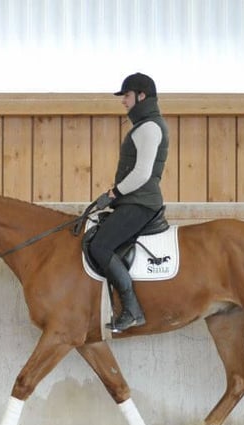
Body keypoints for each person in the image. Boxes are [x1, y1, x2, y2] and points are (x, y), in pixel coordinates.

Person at [89, 72, 169, 333]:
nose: (124, 101)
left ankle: (132, 310)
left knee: (100, 246)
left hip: (141, 202)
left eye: (126, 95)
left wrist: (113, 193)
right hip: (133, 201)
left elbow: (142, 173)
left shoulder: (149, 128)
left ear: (141, 96)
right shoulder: (145, 125)